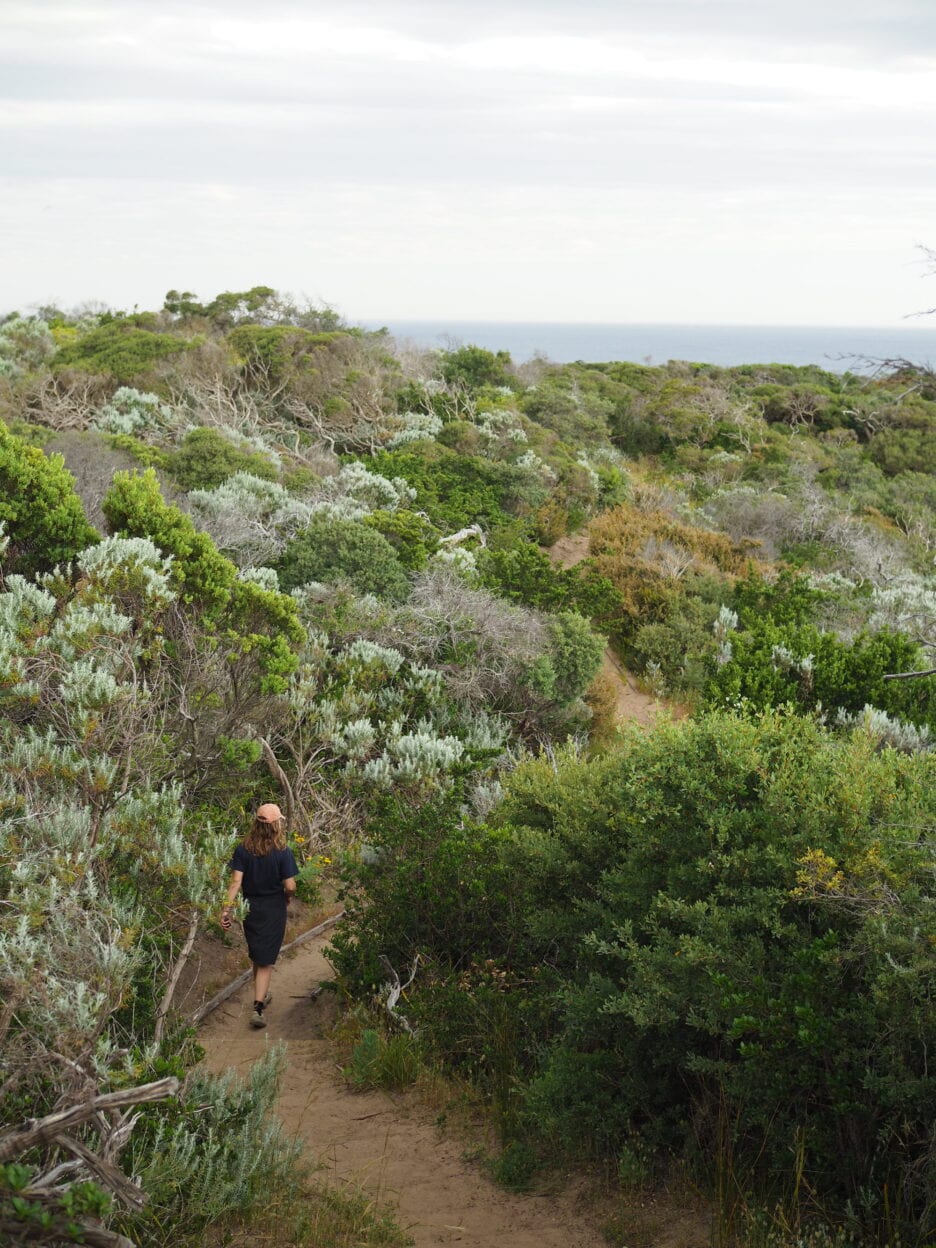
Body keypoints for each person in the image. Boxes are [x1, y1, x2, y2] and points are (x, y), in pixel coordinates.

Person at [220, 802, 298, 1029]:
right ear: (276, 824)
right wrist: (288, 895)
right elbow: (290, 884)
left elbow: (236, 882)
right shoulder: (283, 852)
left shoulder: (243, 849)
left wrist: (226, 909)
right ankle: (258, 1008)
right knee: (265, 961)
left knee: (258, 954)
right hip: (273, 907)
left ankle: (261, 994)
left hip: (249, 907)